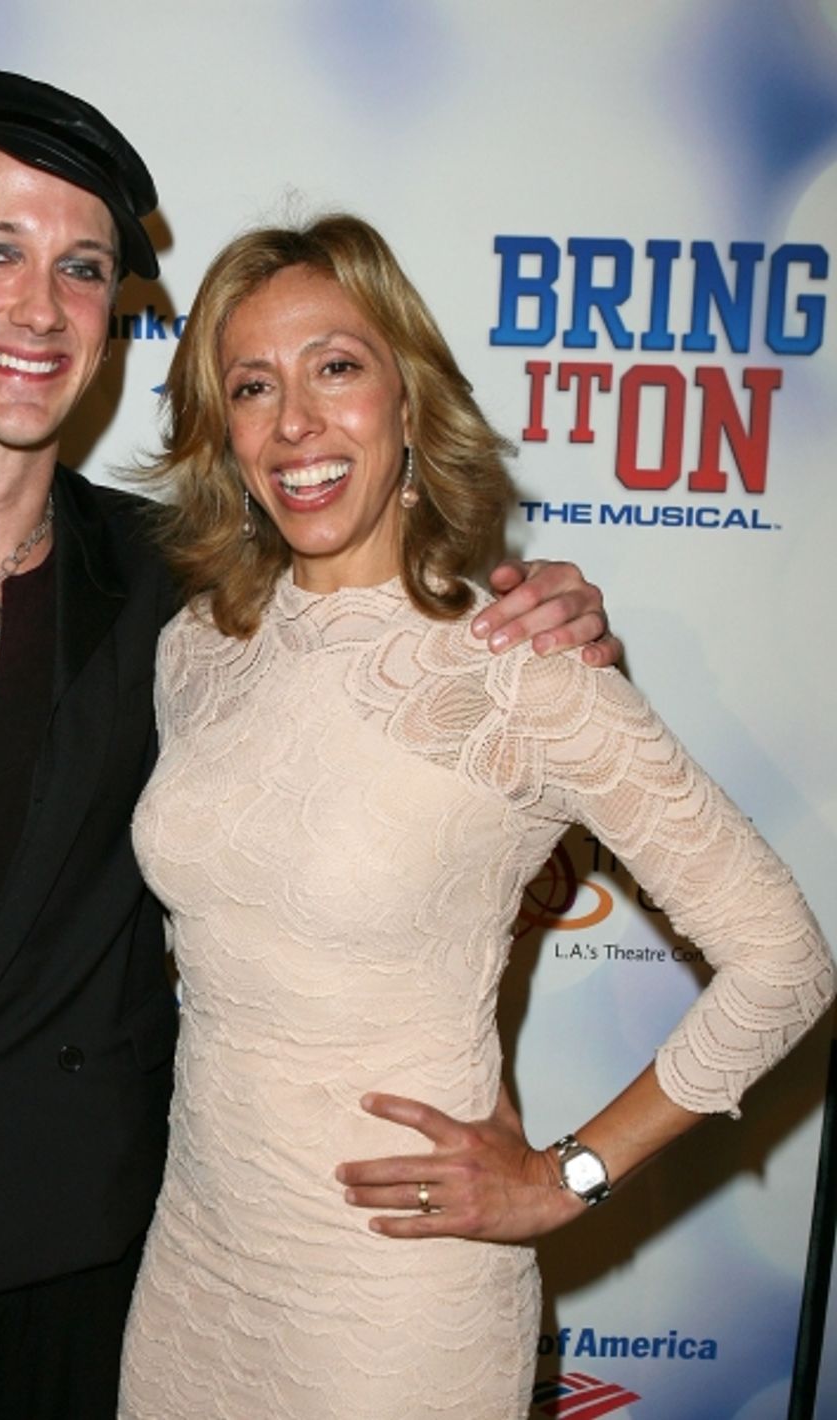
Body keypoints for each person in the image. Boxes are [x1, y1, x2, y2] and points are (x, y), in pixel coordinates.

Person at [0, 72, 617, 1420]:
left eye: (82, 268)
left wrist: (541, 617)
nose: (40, 307)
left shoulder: (189, 591)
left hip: (118, 1300)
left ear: (114, 318)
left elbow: (408, 664)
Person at [116, 215, 835, 1420]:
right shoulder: (193, 650)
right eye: (252, 386)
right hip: (197, 1273)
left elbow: (786, 962)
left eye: (336, 367)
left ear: (409, 399)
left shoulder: (523, 666)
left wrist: (568, 1177)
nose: (295, 420)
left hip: (397, 1314)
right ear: (226, 436)